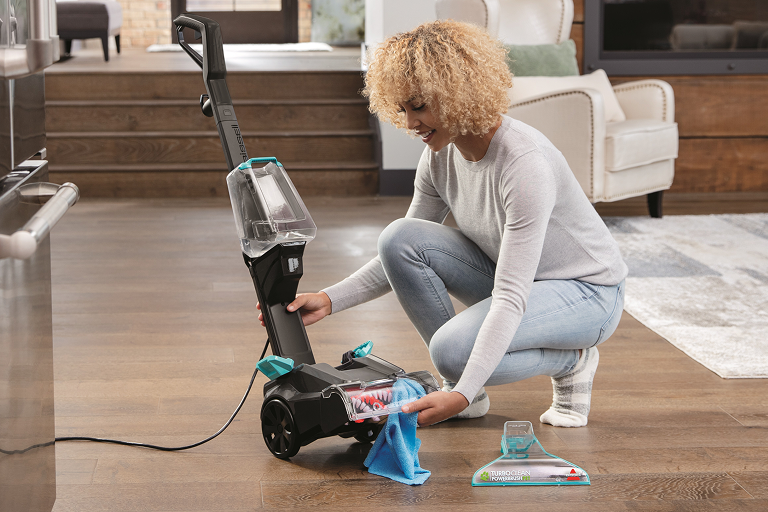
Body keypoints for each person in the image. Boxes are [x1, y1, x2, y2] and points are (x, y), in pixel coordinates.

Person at [257, 20, 627, 428]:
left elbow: (510, 295)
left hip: (588, 294)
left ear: (459, 94)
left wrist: (459, 390)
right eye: (401, 109)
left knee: (451, 351)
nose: (410, 123)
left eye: (419, 106)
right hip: (519, 280)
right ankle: (465, 386)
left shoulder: (524, 165)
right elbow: (400, 253)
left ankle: (569, 361)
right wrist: (329, 299)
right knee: (399, 237)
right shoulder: (439, 155)